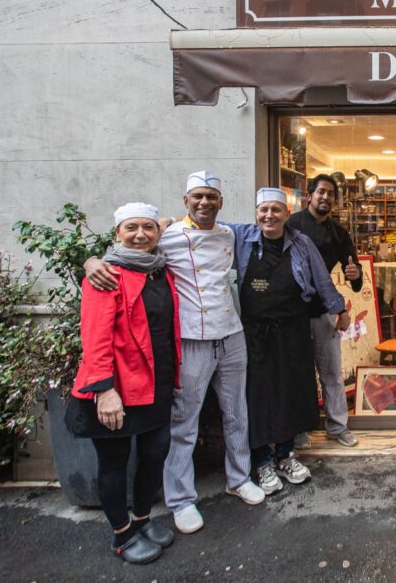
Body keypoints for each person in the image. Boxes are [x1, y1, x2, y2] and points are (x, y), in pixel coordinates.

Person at [85, 172, 265, 536]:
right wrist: (92, 261)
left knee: (237, 413)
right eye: (197, 196)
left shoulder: (229, 234)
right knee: (184, 422)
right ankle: (181, 499)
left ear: (221, 202)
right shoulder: (162, 235)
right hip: (191, 339)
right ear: (185, 201)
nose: (204, 203)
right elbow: (124, 251)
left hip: (231, 333)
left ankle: (238, 477)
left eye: (211, 197)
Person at [67, 202, 181, 564]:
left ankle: (143, 520)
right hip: (116, 388)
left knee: (153, 454)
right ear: (116, 233)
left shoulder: (159, 269)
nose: (140, 235)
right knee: (114, 462)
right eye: (131, 228)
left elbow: (170, 220)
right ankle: (121, 534)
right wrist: (103, 390)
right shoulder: (105, 274)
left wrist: (162, 222)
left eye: (148, 228)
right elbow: (95, 337)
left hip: (156, 382)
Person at [223, 188, 350, 495]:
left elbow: (321, 279)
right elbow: (200, 229)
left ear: (286, 213)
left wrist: (339, 309)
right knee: (259, 395)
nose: (270, 216)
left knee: (292, 392)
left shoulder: (301, 242)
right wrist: (166, 222)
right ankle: (263, 460)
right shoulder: (241, 237)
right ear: (256, 213)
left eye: (276, 210)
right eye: (264, 209)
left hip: (293, 329)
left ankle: (285, 454)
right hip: (255, 333)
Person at [285, 174, 362, 449]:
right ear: (309, 195)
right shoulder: (291, 225)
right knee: (299, 373)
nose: (326, 198)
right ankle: (299, 429)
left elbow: (355, 271)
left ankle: (338, 426)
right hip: (293, 311)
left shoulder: (338, 232)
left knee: (331, 371)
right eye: (321, 192)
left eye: (331, 194)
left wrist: (355, 273)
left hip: (324, 310)